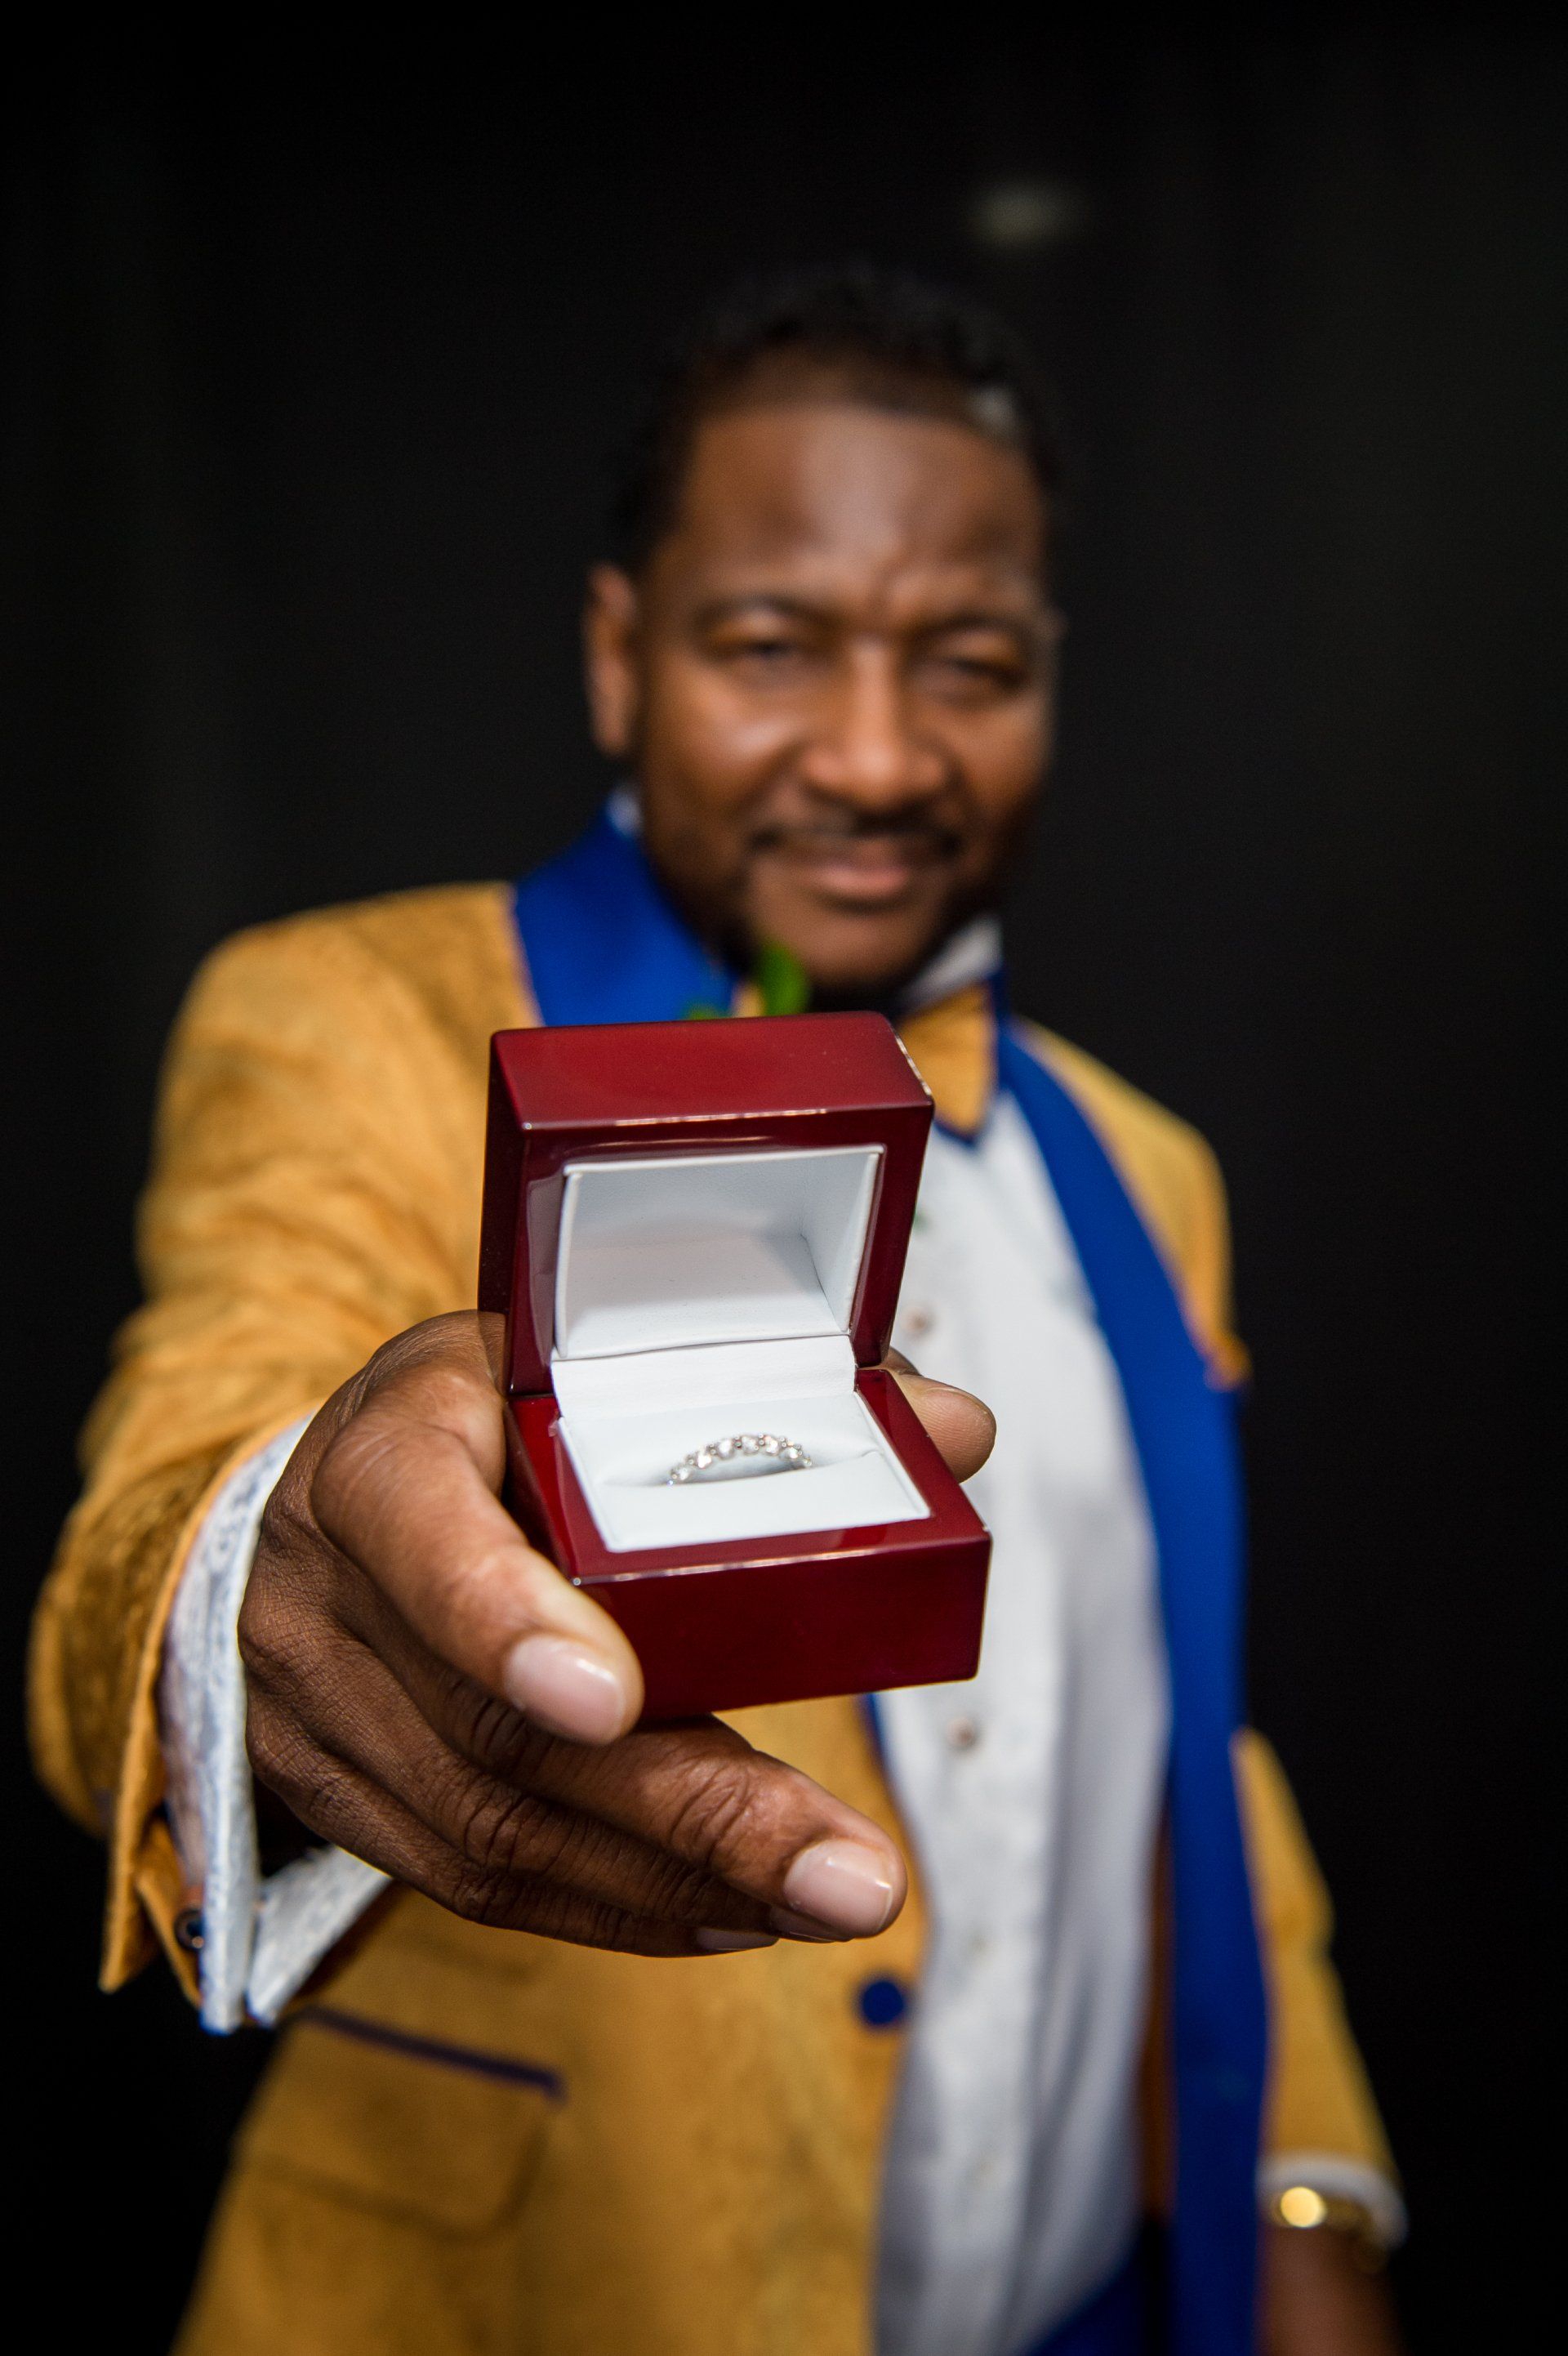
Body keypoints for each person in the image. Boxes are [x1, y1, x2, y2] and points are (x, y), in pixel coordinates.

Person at [29, 268, 1403, 2356]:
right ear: (618, 655)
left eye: (968, 661)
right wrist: (261, 1562)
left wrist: (1307, 2198)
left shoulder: (1150, 1164)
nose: (875, 754)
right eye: (773, 647)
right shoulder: (346, 1021)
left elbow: (1186, 1739)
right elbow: (178, 1480)